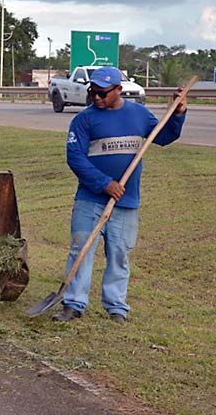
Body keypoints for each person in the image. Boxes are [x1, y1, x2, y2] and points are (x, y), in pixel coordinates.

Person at [53, 66, 187, 324]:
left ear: (118, 90)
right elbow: (75, 158)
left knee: (119, 255)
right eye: (93, 92)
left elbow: (165, 136)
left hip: (126, 202)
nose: (96, 98)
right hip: (90, 200)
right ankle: (73, 304)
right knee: (80, 250)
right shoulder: (83, 120)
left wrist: (178, 114)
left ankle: (116, 306)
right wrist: (104, 184)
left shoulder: (139, 115)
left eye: (102, 93)